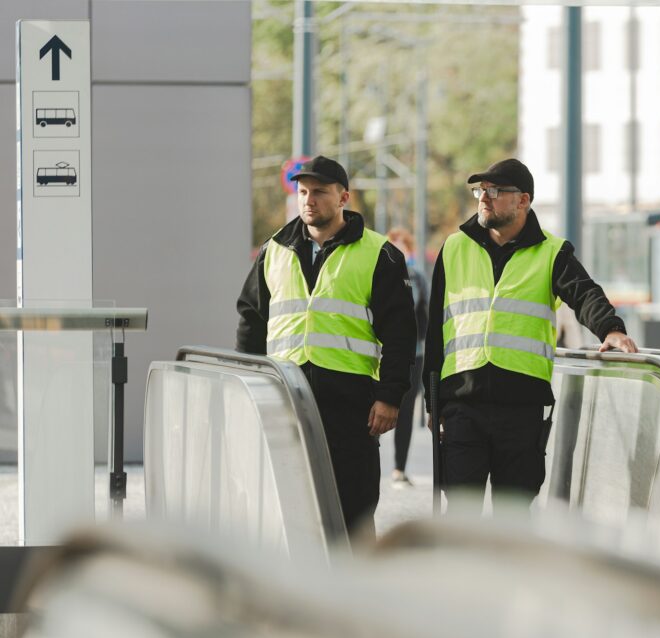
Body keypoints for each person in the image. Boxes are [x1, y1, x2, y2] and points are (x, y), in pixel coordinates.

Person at [422, 158, 637, 512]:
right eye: (480, 191)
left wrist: (611, 329)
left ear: (523, 201)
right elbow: (436, 330)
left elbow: (584, 293)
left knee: (514, 522)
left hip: (520, 410)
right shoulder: (454, 247)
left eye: (495, 191)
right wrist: (433, 403)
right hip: (463, 406)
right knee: (461, 522)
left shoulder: (552, 252)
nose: (484, 198)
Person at [236, 155, 416, 536]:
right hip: (285, 397)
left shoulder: (380, 254)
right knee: (287, 504)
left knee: (354, 507)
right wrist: (247, 391)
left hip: (351, 403)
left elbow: (400, 333)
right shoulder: (274, 251)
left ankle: (352, 588)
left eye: (319, 192)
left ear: (344, 197)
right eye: (303, 192)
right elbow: (251, 321)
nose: (309, 200)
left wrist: (390, 397)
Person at [385, 227, 429, 489]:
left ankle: (399, 468)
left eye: (404, 248)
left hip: (415, 355)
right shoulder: (379, 275)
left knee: (405, 412)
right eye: (394, 247)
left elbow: (425, 313)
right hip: (382, 355)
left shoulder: (419, 278)